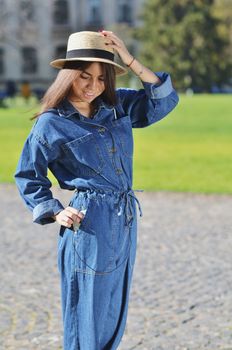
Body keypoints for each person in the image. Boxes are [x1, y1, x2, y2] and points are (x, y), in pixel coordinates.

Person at [15, 30, 179, 350]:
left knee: (113, 308)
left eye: (102, 78)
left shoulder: (118, 108)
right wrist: (56, 210)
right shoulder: (51, 123)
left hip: (124, 219)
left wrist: (128, 59)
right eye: (84, 77)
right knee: (86, 313)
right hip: (88, 224)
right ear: (69, 76)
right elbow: (27, 175)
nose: (93, 86)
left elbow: (163, 98)